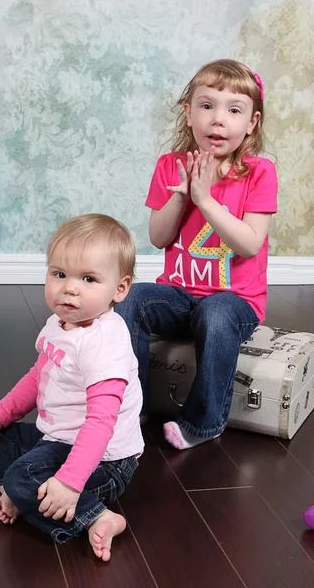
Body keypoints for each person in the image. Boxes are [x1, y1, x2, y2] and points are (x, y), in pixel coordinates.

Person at [115, 58, 278, 450]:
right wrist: (182, 195)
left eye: (233, 110)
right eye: (207, 106)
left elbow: (250, 243)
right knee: (132, 297)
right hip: (179, 295)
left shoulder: (259, 172)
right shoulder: (171, 166)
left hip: (234, 301)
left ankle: (204, 423)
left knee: (216, 313)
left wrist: (206, 202)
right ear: (189, 114)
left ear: (251, 123)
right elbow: (158, 236)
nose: (218, 120)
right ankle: (127, 408)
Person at [0, 213, 144, 562]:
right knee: (0, 440)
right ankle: (17, 492)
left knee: (22, 477)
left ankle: (97, 515)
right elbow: (38, 377)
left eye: (88, 279)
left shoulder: (105, 343)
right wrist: (1, 414)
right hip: (60, 438)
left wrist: (71, 482)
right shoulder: (59, 324)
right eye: (59, 274)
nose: (70, 288)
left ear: (119, 289)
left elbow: (101, 423)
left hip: (104, 460)